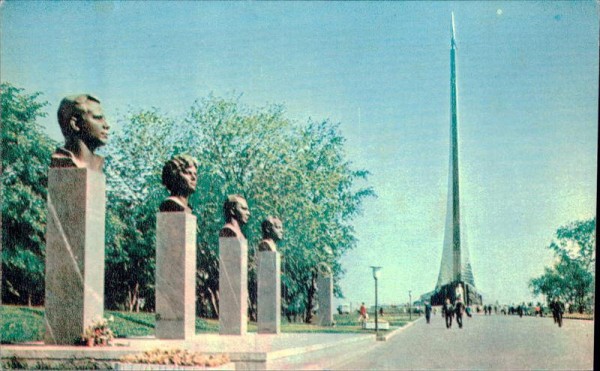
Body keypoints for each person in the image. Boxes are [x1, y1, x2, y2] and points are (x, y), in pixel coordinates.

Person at [51, 94, 110, 172]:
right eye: (97, 118)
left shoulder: (98, 164)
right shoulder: (62, 162)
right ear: (75, 124)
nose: (107, 125)